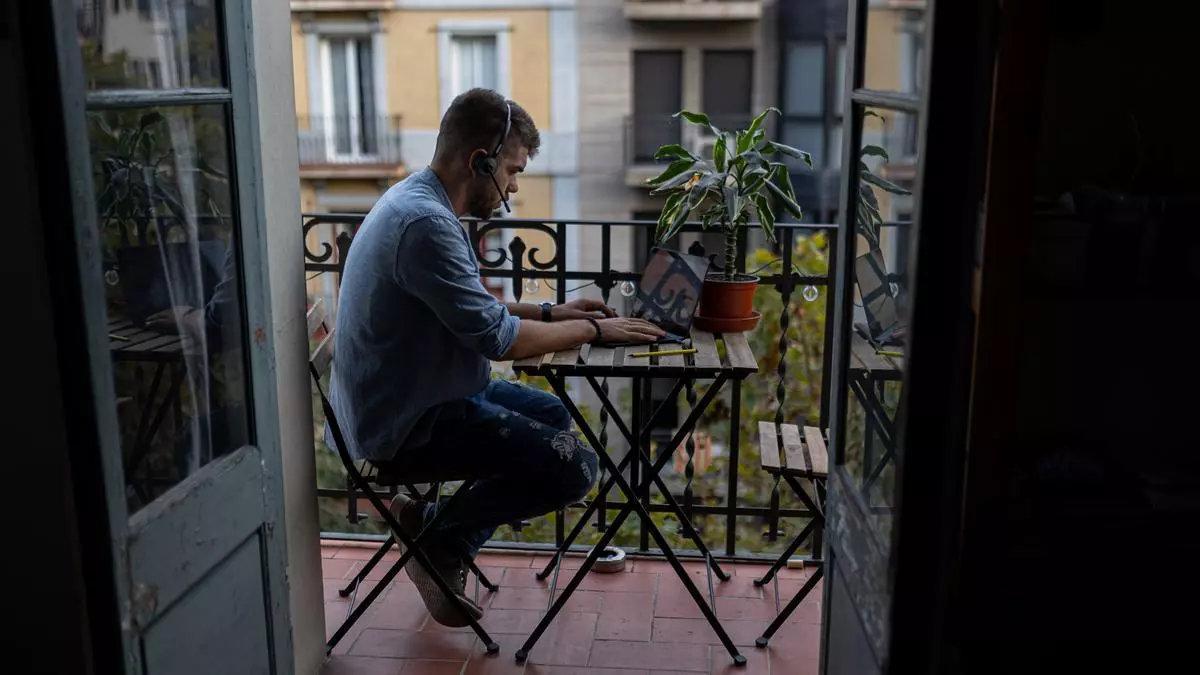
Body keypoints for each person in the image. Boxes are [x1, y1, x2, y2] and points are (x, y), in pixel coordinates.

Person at [328, 88, 665, 626]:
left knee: (556, 416)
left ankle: (433, 527)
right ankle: (442, 539)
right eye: (511, 170)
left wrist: (554, 312)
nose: (512, 187)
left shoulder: (419, 202)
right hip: (404, 425)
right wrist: (595, 330)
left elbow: (474, 308)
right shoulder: (427, 225)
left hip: (418, 394)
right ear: (477, 161)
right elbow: (497, 339)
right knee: (576, 467)